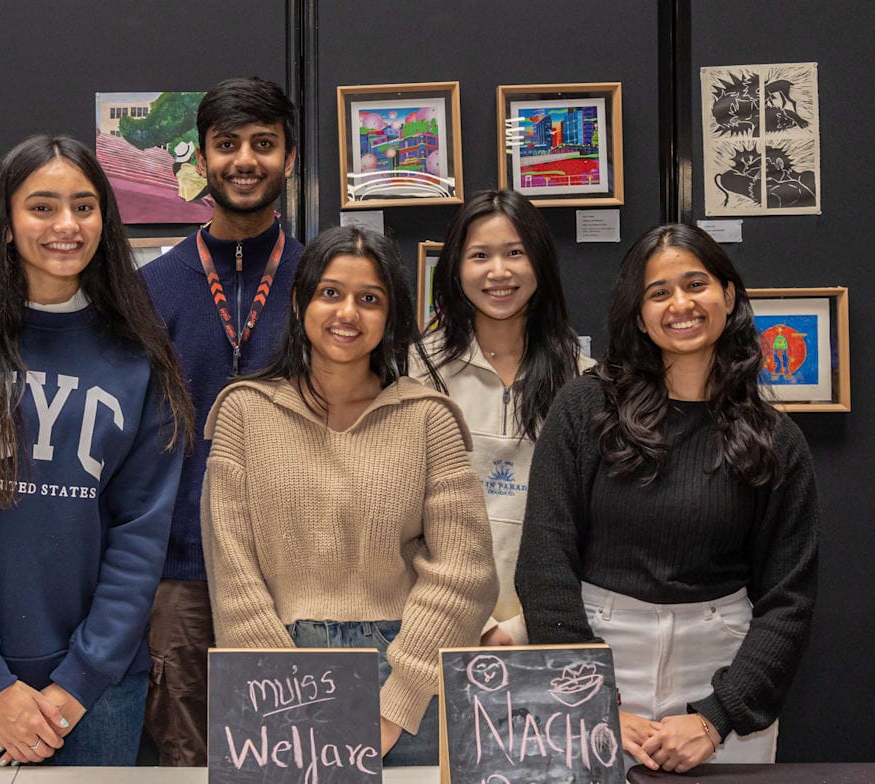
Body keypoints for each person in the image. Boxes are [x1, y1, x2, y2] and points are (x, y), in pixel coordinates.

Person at [0, 136, 193, 767]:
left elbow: (141, 534)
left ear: (105, 222)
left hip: (99, 686)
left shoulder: (139, 357)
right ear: (5, 223)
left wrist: (80, 680)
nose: (66, 225)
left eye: (84, 207)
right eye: (42, 206)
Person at [516, 224, 819, 772]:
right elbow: (544, 563)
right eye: (658, 293)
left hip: (723, 667)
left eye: (695, 284)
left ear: (727, 296)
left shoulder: (776, 439)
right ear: (638, 315)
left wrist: (715, 717)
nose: (680, 304)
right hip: (596, 658)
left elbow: (788, 599)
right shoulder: (584, 409)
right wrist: (592, 699)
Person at [201, 225, 498, 765]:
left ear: (392, 317)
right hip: (275, 669)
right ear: (299, 302)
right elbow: (232, 572)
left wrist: (395, 702)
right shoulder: (244, 413)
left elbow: (466, 573)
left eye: (370, 299)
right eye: (330, 293)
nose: (347, 313)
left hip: (410, 674)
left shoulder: (429, 419)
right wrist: (283, 690)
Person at [140, 76, 304, 766]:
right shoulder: (155, 286)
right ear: (201, 159)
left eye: (264, 144)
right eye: (227, 144)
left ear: (290, 159)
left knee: (296, 755)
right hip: (182, 569)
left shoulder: (321, 280)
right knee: (186, 760)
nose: (245, 159)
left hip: (297, 569)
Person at [413, 189, 592, 646]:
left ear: (541, 264)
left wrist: (526, 626)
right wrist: (476, 623)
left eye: (515, 253)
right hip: (434, 625)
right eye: (479, 255)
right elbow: (398, 519)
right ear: (454, 268)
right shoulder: (416, 372)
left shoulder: (585, 381)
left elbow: (595, 523)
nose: (498, 272)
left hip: (551, 628)